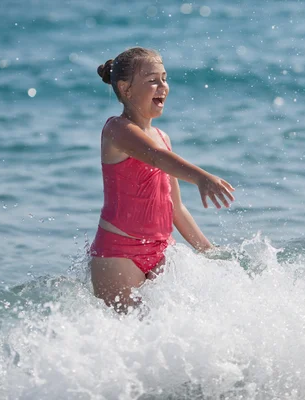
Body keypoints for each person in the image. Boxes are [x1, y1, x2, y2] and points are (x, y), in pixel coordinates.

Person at [90, 47, 235, 313]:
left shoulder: (163, 137)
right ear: (126, 89)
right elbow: (155, 157)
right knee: (128, 335)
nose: (163, 86)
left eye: (164, 78)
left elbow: (175, 207)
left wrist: (208, 250)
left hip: (162, 250)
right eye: (152, 80)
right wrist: (201, 178)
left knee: (180, 323)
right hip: (119, 254)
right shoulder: (116, 130)